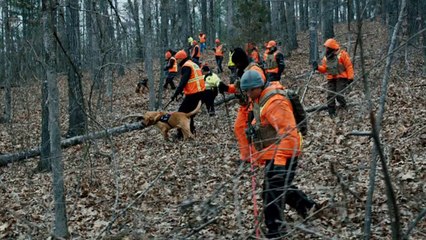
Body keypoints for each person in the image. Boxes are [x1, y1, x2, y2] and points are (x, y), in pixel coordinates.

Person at [240, 70, 317, 238]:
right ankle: (307, 206)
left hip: (286, 151)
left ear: (258, 87)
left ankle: (275, 231)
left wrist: (280, 163)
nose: (247, 94)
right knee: (277, 188)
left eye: (249, 91)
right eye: (245, 91)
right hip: (275, 152)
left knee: (272, 195)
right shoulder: (259, 99)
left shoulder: (275, 103)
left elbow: (288, 134)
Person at [218, 47, 269, 164]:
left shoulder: (254, 69)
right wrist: (226, 88)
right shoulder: (243, 70)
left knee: (256, 132)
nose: (236, 66)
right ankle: (246, 157)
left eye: (237, 63)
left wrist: (255, 107)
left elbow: (259, 87)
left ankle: (259, 160)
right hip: (245, 106)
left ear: (241, 61)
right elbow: (239, 88)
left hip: (256, 105)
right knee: (239, 128)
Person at [313, 38, 354, 118]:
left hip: (341, 78)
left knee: (339, 95)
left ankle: (343, 107)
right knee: (330, 96)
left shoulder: (342, 54)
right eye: (326, 47)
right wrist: (317, 67)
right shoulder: (326, 58)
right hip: (331, 78)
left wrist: (350, 77)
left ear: (332, 48)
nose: (326, 49)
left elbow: (349, 66)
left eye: (328, 48)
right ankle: (331, 113)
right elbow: (325, 69)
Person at [171, 50, 205, 139]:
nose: (176, 61)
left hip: (193, 94)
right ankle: (191, 130)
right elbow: (190, 81)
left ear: (181, 59)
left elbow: (183, 82)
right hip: (199, 92)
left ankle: (181, 135)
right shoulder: (193, 64)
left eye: (177, 59)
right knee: (189, 114)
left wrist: (176, 93)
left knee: (181, 114)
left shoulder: (186, 66)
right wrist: (181, 92)